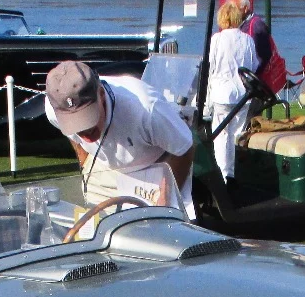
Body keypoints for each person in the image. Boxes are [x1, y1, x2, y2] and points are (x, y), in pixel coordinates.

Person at [43, 60, 195, 217]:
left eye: (88, 118)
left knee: (161, 231)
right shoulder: (52, 108)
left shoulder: (146, 107)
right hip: (103, 167)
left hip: (156, 168)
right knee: (97, 231)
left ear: (101, 94)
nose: (85, 132)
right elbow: (71, 137)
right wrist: (85, 161)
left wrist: (166, 197)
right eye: (75, 123)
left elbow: (184, 148)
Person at [205, 0, 258, 182]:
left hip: (222, 92)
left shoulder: (217, 40)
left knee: (221, 136)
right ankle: (234, 174)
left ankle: (225, 175)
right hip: (242, 93)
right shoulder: (247, 40)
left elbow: (210, 66)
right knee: (235, 134)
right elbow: (253, 65)